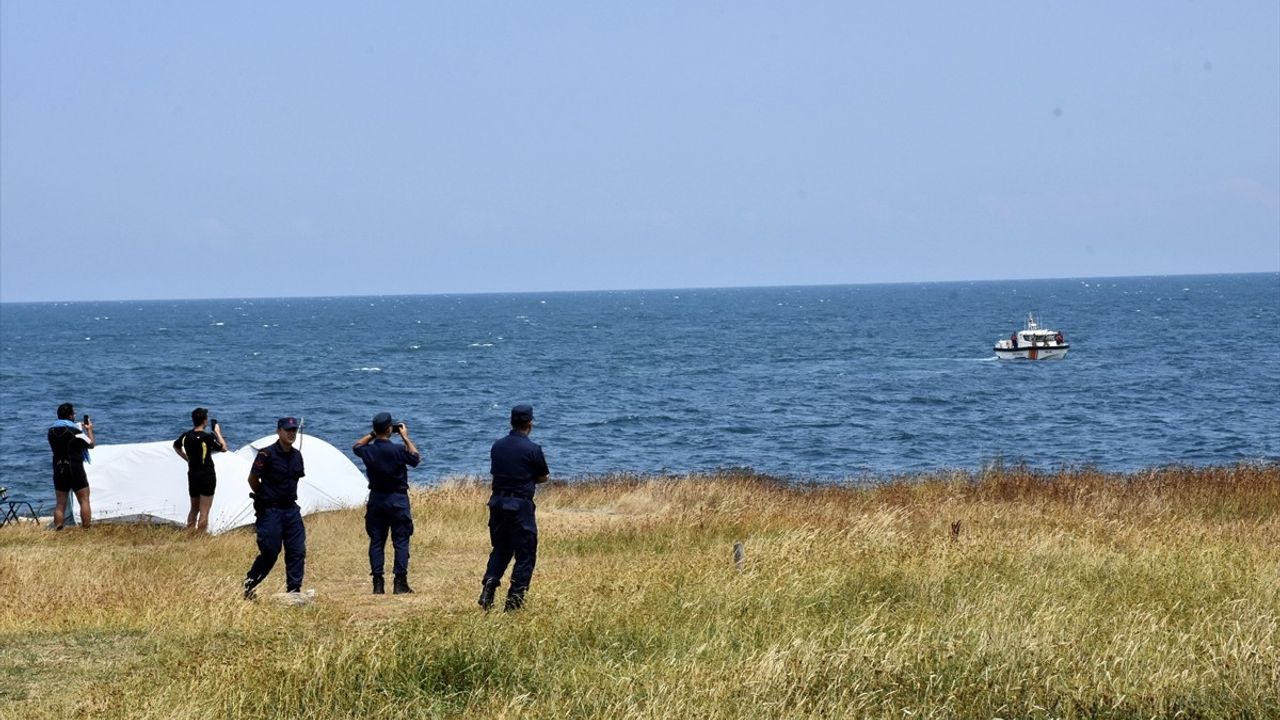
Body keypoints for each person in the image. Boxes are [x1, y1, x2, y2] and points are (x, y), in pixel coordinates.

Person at [478, 404, 549, 612]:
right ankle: (514, 601)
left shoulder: (497, 446)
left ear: (511, 421)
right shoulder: (533, 449)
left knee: (501, 547)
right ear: (530, 423)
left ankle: (490, 582)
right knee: (525, 553)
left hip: (497, 503)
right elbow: (543, 477)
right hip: (520, 505)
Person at [352, 412, 422, 595]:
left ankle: (378, 583)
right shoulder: (398, 450)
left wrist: (373, 435)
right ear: (390, 429)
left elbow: (357, 446)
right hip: (398, 500)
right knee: (401, 541)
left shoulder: (369, 451)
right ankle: (400, 582)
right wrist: (406, 438)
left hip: (377, 499)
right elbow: (415, 458)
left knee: (376, 541)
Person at [242, 417, 307, 599]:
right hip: (271, 510)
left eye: (294, 430)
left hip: (291, 510)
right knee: (270, 551)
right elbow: (252, 479)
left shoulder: (296, 456)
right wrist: (263, 495)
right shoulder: (266, 454)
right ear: (278, 431)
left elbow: (296, 479)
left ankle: (294, 591)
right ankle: (249, 584)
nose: (291, 434)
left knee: (297, 551)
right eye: (287, 430)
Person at [172, 407, 229, 532]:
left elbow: (176, 447)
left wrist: (187, 459)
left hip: (193, 474)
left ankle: (190, 534)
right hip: (206, 475)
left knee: (194, 509)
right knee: (204, 511)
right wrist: (217, 432)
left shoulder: (186, 436)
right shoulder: (207, 437)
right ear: (204, 421)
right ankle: (200, 537)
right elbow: (224, 448)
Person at [47, 402, 95, 529]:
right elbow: (91, 444)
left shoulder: (51, 431)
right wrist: (89, 430)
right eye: (73, 413)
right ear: (70, 416)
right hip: (75, 467)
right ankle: (86, 529)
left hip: (59, 468)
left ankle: (58, 528)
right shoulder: (75, 431)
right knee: (84, 500)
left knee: (60, 503)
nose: (75, 415)